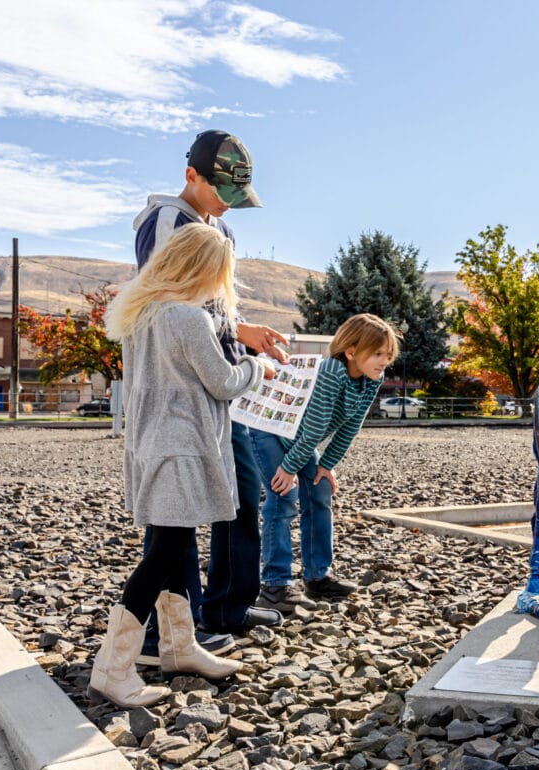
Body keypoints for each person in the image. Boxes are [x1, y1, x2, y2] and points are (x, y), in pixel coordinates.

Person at [90, 224, 268, 708]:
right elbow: (224, 382)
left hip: (152, 445)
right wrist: (258, 366)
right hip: (184, 448)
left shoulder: (141, 315)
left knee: (177, 543)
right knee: (164, 554)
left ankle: (179, 646)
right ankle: (112, 668)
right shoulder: (189, 319)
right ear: (204, 270)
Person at [132, 130, 288, 663]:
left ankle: (226, 607)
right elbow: (172, 300)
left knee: (238, 494)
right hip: (187, 390)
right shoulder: (167, 222)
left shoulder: (217, 227)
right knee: (175, 517)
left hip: (222, 383)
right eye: (220, 190)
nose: (228, 205)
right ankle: (166, 634)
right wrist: (241, 349)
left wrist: (241, 329)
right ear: (190, 176)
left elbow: (211, 306)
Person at [250, 314, 398, 612]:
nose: (384, 361)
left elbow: (350, 426)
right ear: (351, 351)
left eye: (388, 355)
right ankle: (275, 585)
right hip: (271, 430)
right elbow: (316, 428)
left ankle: (317, 576)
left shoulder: (371, 378)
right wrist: (289, 468)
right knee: (283, 497)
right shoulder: (332, 371)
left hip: (299, 438)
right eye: (378, 354)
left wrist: (326, 465)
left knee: (319, 491)